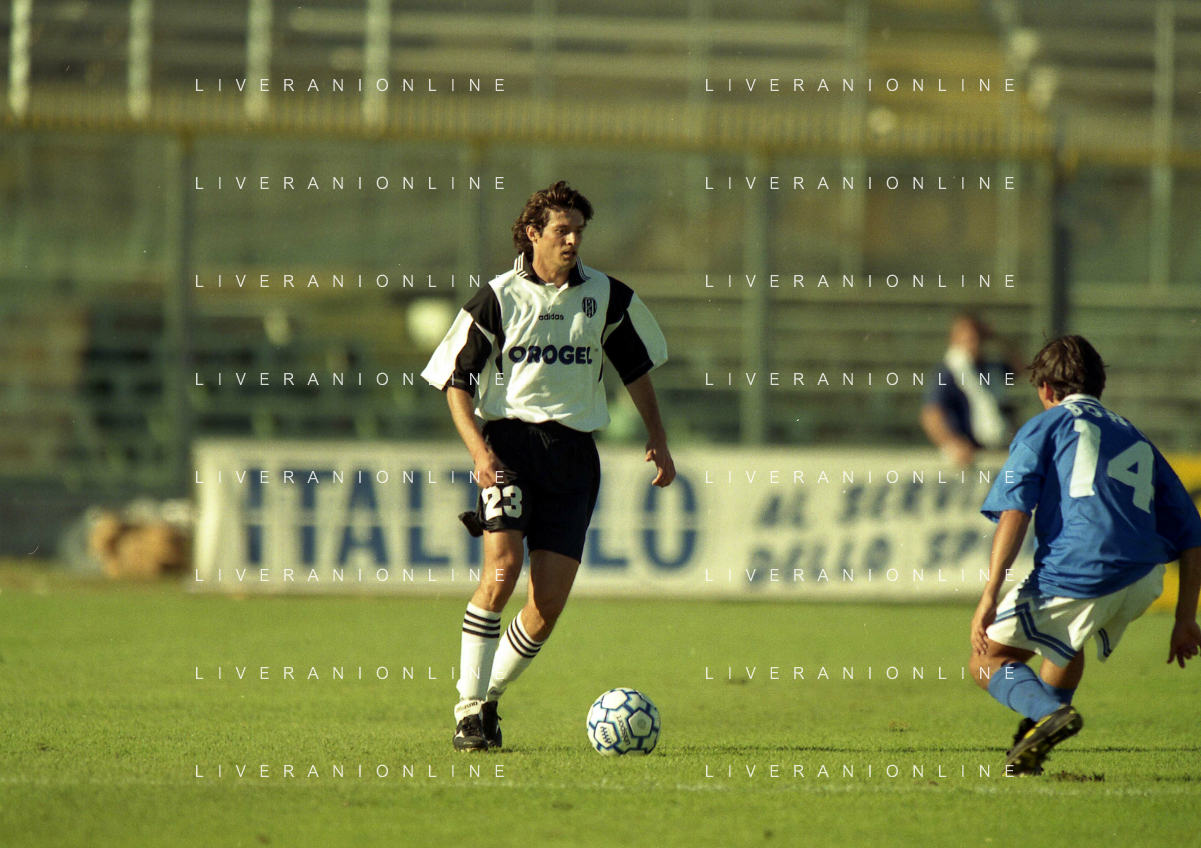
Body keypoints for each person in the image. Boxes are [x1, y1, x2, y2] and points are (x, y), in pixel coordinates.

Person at [421, 181, 675, 751]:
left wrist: (658, 437)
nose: (573, 241)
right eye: (562, 230)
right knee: (502, 569)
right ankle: (466, 710)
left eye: (579, 231)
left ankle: (488, 698)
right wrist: (481, 453)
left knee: (546, 606)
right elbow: (456, 385)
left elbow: (635, 369)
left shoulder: (606, 295)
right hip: (510, 449)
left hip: (575, 456)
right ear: (533, 234)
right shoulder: (498, 297)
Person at [968, 335, 1201, 775]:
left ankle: (1048, 714)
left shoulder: (1045, 425)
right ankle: (1033, 743)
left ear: (1046, 389)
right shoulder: (1133, 435)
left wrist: (989, 593)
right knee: (1063, 644)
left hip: (1083, 569)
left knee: (987, 659)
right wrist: (1185, 618)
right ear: (1099, 386)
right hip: (1145, 577)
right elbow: (1193, 534)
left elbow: (1015, 511)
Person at [921, 313, 1019, 467]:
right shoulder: (949, 372)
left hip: (997, 449)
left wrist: (998, 339)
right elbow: (932, 414)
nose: (973, 342)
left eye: (977, 337)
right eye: (967, 338)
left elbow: (1021, 367)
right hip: (969, 456)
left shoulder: (991, 367)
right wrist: (952, 444)